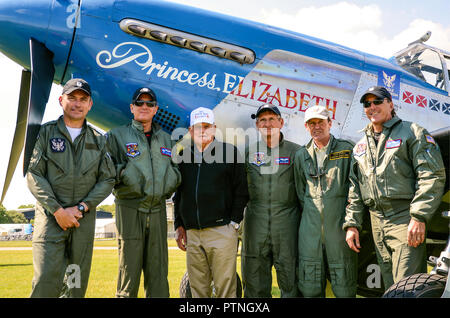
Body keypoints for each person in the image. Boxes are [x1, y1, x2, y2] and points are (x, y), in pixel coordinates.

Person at [343, 86, 446, 290]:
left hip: (403, 217)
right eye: (367, 104)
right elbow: (355, 189)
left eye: (377, 101)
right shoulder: (361, 146)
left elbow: (431, 175)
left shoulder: (412, 132)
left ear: (390, 104)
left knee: (406, 286)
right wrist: (352, 224)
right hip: (375, 221)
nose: (372, 107)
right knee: (391, 288)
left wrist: (418, 216)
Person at [26, 78, 116, 297]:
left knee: (75, 285)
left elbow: (107, 179)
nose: (77, 104)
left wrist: (82, 207)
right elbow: (33, 173)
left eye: (83, 99)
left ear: (90, 104)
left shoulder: (98, 139)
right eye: (72, 98)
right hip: (50, 221)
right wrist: (58, 210)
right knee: (45, 281)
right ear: (61, 100)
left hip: (81, 224)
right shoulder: (45, 133)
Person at [106, 87, 181, 298]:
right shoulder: (116, 135)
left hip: (157, 209)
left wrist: (168, 184)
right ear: (132, 107)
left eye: (149, 103)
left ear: (156, 109)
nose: (144, 107)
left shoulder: (167, 139)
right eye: (140, 103)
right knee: (128, 273)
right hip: (129, 208)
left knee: (158, 274)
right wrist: (128, 176)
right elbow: (106, 169)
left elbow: (176, 170)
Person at [173, 107, 248, 298]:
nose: (202, 131)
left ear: (214, 128)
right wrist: (179, 225)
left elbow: (241, 191)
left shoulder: (230, 153)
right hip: (193, 233)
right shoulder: (183, 157)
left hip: (221, 231)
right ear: (190, 131)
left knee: (225, 288)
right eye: (197, 127)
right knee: (198, 289)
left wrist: (234, 222)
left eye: (206, 126)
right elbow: (179, 195)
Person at [293, 105, 357, 297]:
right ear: (306, 127)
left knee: (344, 284)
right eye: (311, 123)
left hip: (339, 229)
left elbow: (355, 188)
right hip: (310, 233)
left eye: (320, 122)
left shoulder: (347, 150)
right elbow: (300, 192)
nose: (316, 127)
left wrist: (350, 222)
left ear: (330, 123)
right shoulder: (301, 155)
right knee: (310, 286)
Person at [241, 104, 301, 298]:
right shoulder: (247, 153)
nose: (268, 124)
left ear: (281, 122)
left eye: (272, 119)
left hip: (287, 224)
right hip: (255, 224)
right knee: (254, 282)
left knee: (290, 281)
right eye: (263, 120)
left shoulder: (297, 152)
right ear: (257, 125)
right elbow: (238, 190)